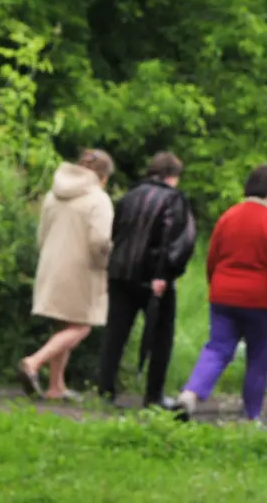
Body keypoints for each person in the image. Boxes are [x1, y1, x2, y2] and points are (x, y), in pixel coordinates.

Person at [175, 164, 267, 423]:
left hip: (224, 295)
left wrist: (217, 285)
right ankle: (251, 415)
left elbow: (213, 257)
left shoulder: (228, 216)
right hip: (262, 302)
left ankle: (191, 393)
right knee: (258, 357)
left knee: (217, 348)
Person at [97, 151, 196, 409]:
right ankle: (153, 395)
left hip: (120, 273)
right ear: (173, 176)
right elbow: (178, 242)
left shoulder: (128, 196)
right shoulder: (175, 200)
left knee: (115, 332)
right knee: (161, 335)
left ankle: (104, 389)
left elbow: (115, 231)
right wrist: (166, 274)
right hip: (153, 278)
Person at [17, 149, 116, 401]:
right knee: (82, 325)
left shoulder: (53, 194)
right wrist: (105, 263)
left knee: (64, 323)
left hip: (51, 264)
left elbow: (42, 234)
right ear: (103, 177)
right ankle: (33, 362)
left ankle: (55, 386)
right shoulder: (98, 199)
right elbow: (99, 242)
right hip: (82, 269)